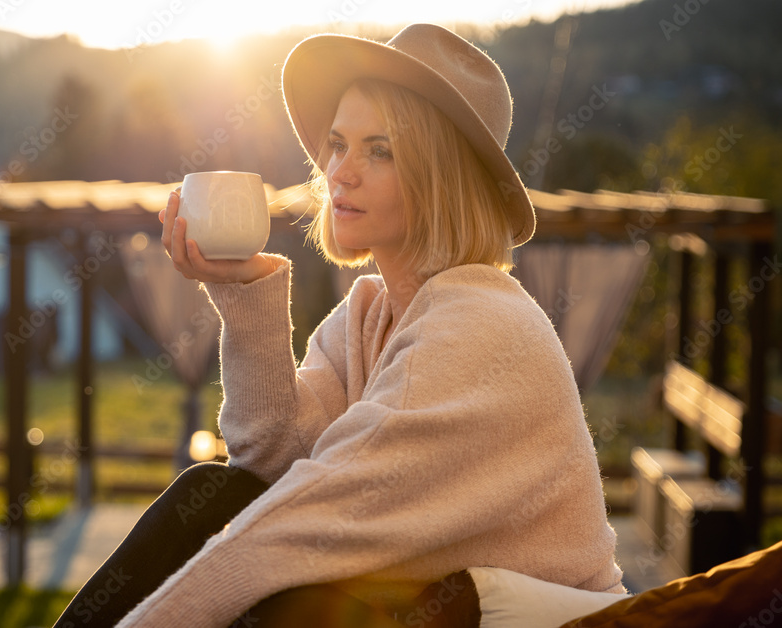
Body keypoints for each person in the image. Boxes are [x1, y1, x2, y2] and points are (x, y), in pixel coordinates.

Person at [53, 22, 624, 628]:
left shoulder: (479, 325)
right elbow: (267, 465)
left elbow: (291, 534)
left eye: (381, 150)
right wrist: (242, 290)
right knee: (212, 494)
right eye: (337, 143)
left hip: (552, 621)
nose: (340, 172)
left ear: (441, 177)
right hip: (445, 606)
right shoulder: (368, 315)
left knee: (293, 605)